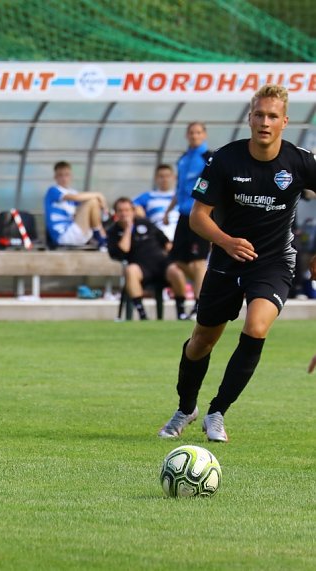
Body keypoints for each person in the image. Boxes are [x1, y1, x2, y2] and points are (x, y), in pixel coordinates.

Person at [158, 84, 316, 443]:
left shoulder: (300, 162)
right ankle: (186, 408)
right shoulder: (225, 160)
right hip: (226, 261)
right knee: (201, 342)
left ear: (285, 121)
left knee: (256, 327)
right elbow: (198, 217)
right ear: (249, 118)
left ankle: (217, 412)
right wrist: (226, 241)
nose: (265, 122)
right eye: (259, 115)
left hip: (273, 262)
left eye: (272, 116)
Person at [106, 197, 188, 320]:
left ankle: (181, 313)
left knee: (176, 270)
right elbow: (123, 251)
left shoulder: (145, 223)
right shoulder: (113, 231)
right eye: (120, 211)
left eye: (127, 210)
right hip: (140, 269)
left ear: (133, 211)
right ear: (116, 213)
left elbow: (166, 242)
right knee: (130, 270)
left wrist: (176, 257)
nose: (124, 214)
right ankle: (142, 314)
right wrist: (128, 228)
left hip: (161, 265)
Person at [163, 122, 211, 316]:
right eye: (191, 132)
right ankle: (207, 286)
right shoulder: (183, 159)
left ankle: (200, 305)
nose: (194, 135)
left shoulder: (209, 158)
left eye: (198, 132)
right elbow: (180, 189)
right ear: (187, 135)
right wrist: (168, 211)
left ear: (204, 135)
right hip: (183, 216)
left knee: (198, 261)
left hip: (200, 215)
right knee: (177, 261)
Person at [44, 161, 108, 249]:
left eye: (67, 175)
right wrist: (99, 194)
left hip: (75, 231)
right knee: (92, 201)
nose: (64, 178)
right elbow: (76, 197)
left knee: (93, 202)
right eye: (60, 175)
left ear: (71, 176)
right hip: (63, 236)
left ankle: (103, 240)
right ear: (55, 177)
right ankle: (101, 239)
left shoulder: (72, 191)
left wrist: (103, 206)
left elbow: (87, 204)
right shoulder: (53, 190)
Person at [132, 164, 178, 241]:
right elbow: (127, 206)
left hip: (180, 233)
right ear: (156, 178)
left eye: (167, 176)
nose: (165, 179)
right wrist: (136, 209)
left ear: (174, 177)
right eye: (161, 176)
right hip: (158, 236)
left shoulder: (181, 196)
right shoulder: (148, 196)